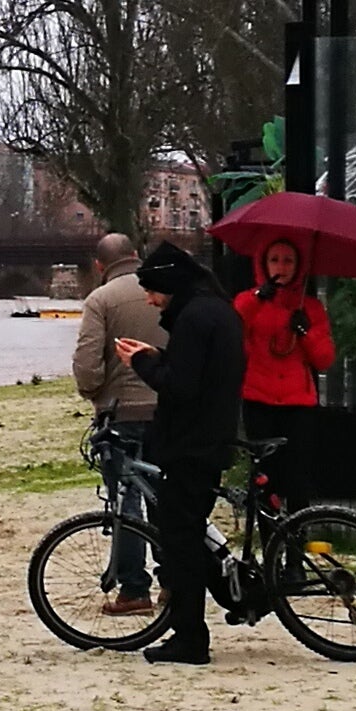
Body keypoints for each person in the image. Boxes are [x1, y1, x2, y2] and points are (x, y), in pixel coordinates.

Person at [115, 241, 245, 666]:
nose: (150, 300)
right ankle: (234, 596)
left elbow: (182, 387)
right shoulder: (217, 310)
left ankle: (190, 638)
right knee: (190, 532)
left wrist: (142, 366)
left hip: (192, 443)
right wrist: (157, 355)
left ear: (170, 284)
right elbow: (199, 371)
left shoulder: (192, 317)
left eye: (153, 290)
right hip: (214, 436)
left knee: (180, 543)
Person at [68, 232, 163, 614]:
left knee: (126, 502)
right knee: (167, 499)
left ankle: (134, 590)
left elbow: (87, 364)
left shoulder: (100, 300)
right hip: (167, 412)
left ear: (99, 266)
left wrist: (96, 394)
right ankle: (173, 582)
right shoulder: (164, 292)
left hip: (120, 415)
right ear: (136, 256)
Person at [234, 237, 334, 509]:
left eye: (288, 260)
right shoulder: (248, 300)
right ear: (264, 264)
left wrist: (306, 333)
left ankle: (295, 546)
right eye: (274, 260)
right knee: (265, 478)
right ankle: (269, 545)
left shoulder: (310, 307)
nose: (281, 267)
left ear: (298, 266)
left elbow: (324, 359)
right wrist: (257, 299)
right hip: (259, 399)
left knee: (298, 478)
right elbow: (233, 332)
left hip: (297, 403)